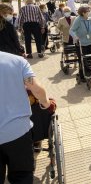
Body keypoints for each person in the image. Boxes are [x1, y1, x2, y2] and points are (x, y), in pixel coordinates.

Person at [0, 51, 51, 183]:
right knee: (22, 177)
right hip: (18, 133)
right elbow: (36, 89)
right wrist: (45, 103)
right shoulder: (17, 61)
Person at [70, 5, 91, 82]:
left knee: (90, 59)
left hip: (89, 42)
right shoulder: (78, 20)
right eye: (88, 11)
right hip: (80, 44)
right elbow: (71, 30)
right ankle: (82, 75)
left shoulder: (90, 19)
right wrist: (75, 36)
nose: (89, 13)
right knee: (83, 60)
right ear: (83, 13)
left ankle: (89, 74)